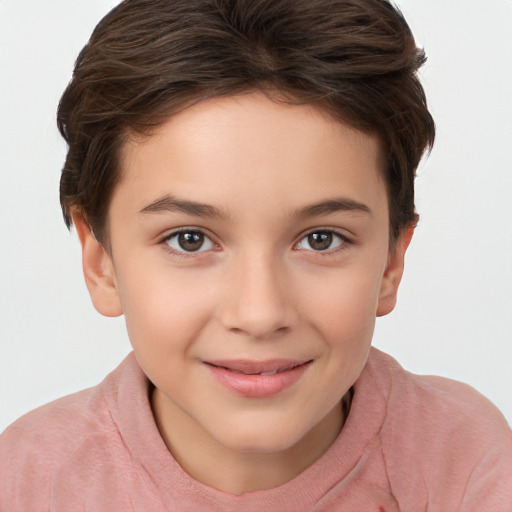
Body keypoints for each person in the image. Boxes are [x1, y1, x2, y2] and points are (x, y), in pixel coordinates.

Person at [0, 0, 511, 510]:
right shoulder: (26, 481)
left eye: (321, 239)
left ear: (391, 263)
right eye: (190, 239)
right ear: (100, 261)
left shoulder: (464, 463)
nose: (260, 314)